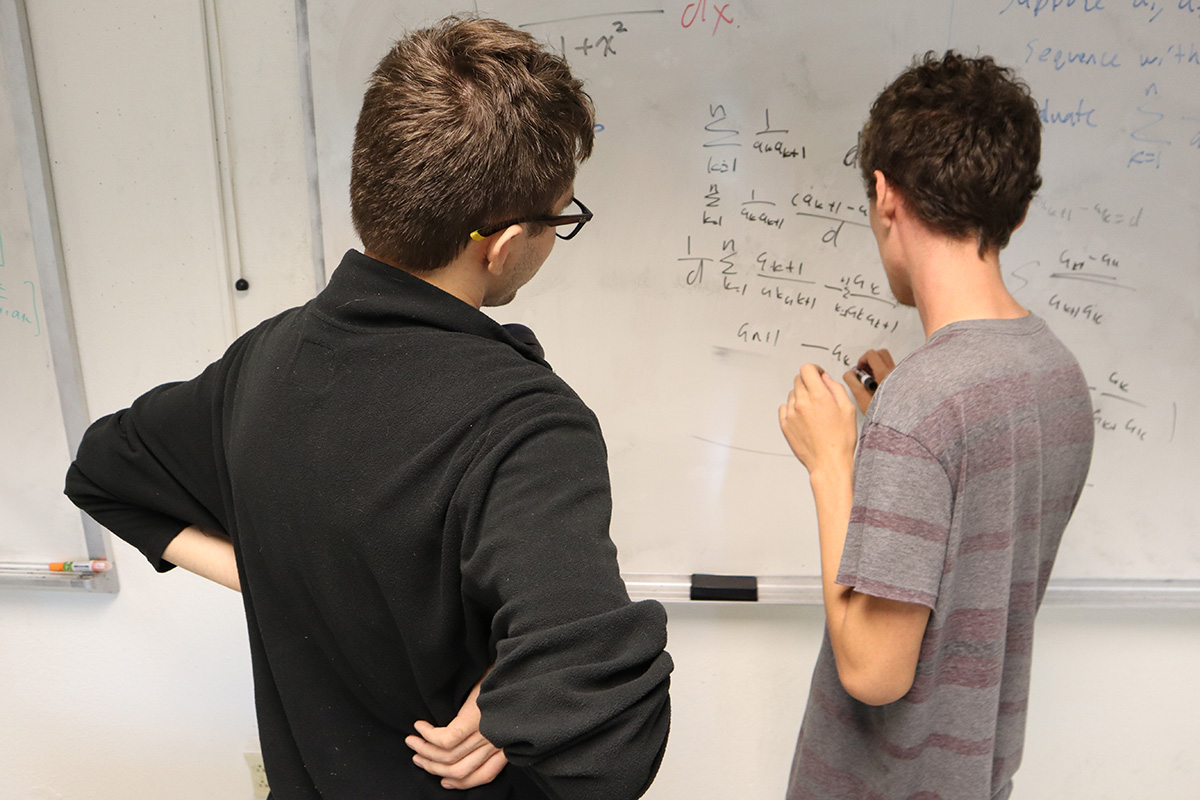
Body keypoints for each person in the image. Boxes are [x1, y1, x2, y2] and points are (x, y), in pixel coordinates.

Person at [64, 17, 671, 800]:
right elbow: (608, 748)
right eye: (561, 219)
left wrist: (284, 576)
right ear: (505, 241)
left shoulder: (265, 360)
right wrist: (515, 686)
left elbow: (103, 467)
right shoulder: (528, 428)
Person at [778, 51, 1094, 799]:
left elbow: (874, 671)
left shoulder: (924, 408)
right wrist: (895, 427)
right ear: (1014, 209)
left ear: (885, 196)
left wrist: (834, 463)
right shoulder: (1055, 374)